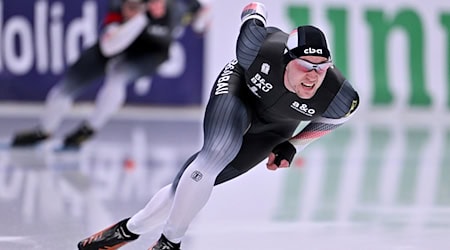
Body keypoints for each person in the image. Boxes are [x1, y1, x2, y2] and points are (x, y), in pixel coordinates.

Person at [77, 2, 360, 249]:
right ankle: (170, 243)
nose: (313, 76)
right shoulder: (256, 49)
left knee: (191, 180)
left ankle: (127, 230)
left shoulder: (338, 94)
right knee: (215, 154)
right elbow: (254, 9)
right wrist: (257, 12)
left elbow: (336, 119)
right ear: (286, 59)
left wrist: (293, 145)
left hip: (276, 127)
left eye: (321, 67)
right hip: (238, 92)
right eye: (305, 65)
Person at [11, 0, 208, 149]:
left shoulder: (183, 5)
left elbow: (203, 18)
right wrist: (143, 18)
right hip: (116, 42)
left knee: (118, 77)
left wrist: (199, 21)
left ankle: (89, 129)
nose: (130, 10)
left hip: (150, 53)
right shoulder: (120, 6)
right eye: (130, 7)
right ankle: (44, 130)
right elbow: (109, 48)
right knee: (66, 86)